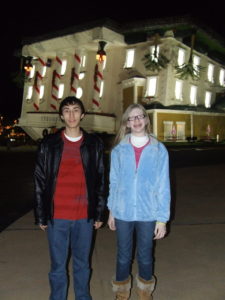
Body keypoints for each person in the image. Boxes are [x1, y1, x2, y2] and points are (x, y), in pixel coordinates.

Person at [34, 96, 106, 300]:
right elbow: (39, 180)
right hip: (57, 216)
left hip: (84, 216)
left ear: (82, 115)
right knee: (58, 266)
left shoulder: (94, 144)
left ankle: (83, 297)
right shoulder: (49, 145)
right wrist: (41, 214)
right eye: (67, 110)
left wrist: (99, 212)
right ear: (61, 116)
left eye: (76, 110)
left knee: (82, 264)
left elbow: (101, 179)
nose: (72, 115)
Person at [107, 103, 171, 300]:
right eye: (131, 118)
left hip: (148, 213)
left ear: (146, 119)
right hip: (123, 212)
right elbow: (114, 183)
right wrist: (112, 211)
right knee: (123, 256)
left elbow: (163, 185)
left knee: (145, 256)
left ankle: (144, 291)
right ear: (126, 123)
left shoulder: (159, 149)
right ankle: (121, 293)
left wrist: (162, 219)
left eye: (139, 116)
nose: (136, 121)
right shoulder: (119, 150)